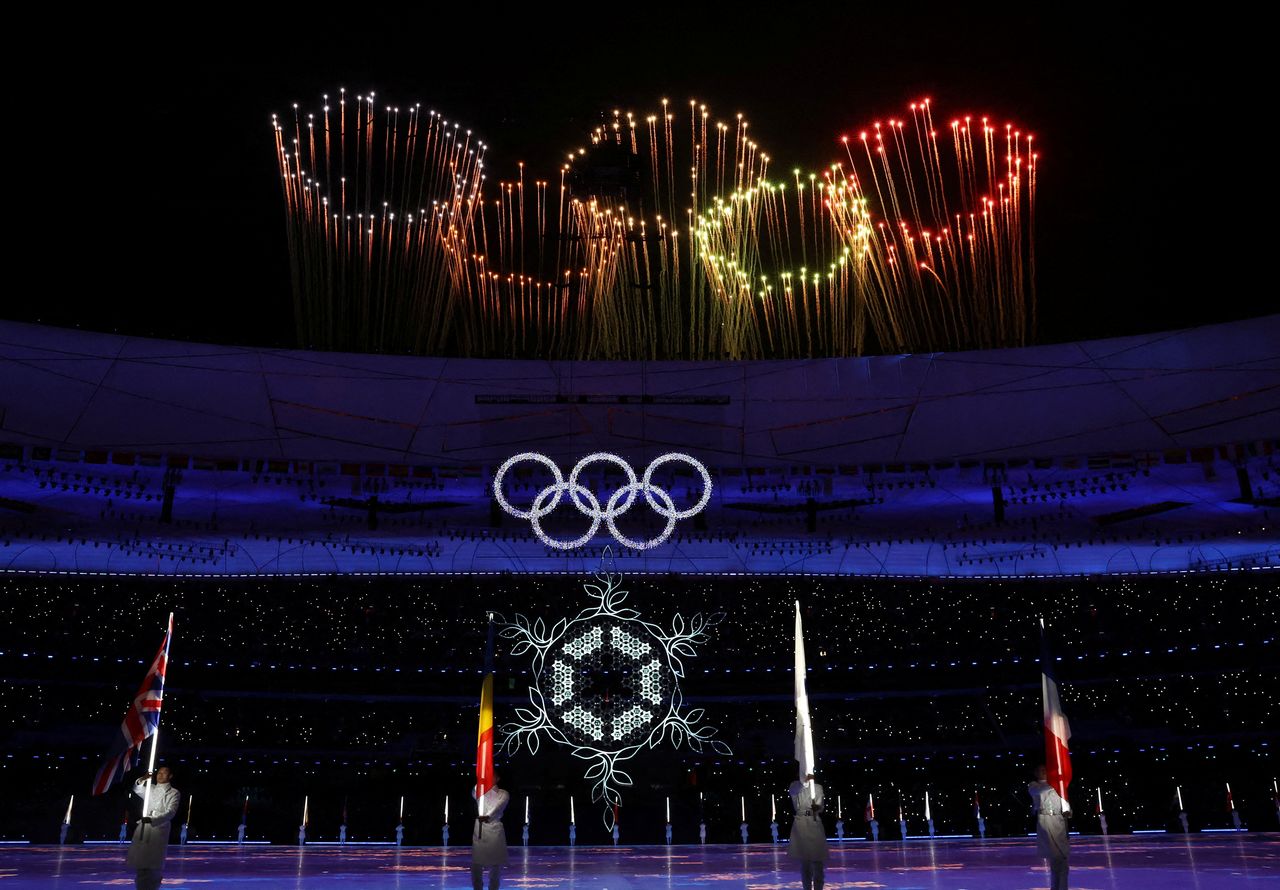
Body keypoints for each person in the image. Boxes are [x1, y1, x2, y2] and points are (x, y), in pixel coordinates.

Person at [126, 766, 180, 890]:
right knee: (141, 860)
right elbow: (137, 789)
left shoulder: (173, 792)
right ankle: (141, 885)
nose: (160, 775)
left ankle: (153, 885)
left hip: (159, 828)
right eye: (159, 773)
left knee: (154, 862)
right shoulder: (151, 788)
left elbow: (170, 812)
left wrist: (153, 819)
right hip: (144, 828)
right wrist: (143, 779)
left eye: (164, 773)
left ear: (170, 776)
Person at [1028, 765, 1070, 890]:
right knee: (1055, 860)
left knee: (1062, 861)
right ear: (1036, 773)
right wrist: (1059, 782)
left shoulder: (1058, 786)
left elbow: (1063, 802)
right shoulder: (1034, 786)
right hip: (1046, 822)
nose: (1044, 771)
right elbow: (1042, 791)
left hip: (1059, 822)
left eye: (1046, 769)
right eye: (1041, 770)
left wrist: (1067, 811)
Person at [788, 773, 829, 890]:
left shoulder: (818, 787)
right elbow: (793, 791)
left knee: (818, 862)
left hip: (814, 822)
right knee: (805, 863)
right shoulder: (795, 785)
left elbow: (821, 804)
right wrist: (804, 782)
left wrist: (818, 807)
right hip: (801, 823)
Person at [472, 770, 510, 890]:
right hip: (480, 830)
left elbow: (499, 806)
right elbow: (474, 790)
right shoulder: (480, 791)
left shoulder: (503, 793)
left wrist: (487, 816)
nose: (489, 778)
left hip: (494, 829)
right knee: (476, 864)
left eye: (492, 776)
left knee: (495, 865)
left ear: (498, 778)